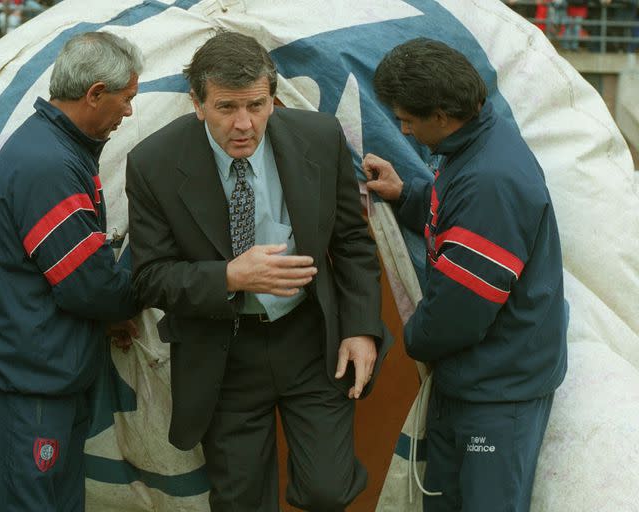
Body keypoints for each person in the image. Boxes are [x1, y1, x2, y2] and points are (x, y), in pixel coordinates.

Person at [125, 31, 392, 512]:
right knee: (242, 501)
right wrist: (229, 277)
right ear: (197, 103)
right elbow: (149, 277)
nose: (244, 124)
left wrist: (361, 328)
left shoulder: (319, 135)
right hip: (224, 354)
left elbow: (351, 242)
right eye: (227, 107)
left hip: (311, 340)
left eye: (257, 105)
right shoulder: (153, 164)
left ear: (273, 97)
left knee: (328, 490)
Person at [363, 38, 567, 512]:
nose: (404, 129)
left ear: (441, 113)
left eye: (408, 119)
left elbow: (459, 315)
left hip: (497, 397)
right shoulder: (477, 142)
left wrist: (409, 339)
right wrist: (406, 195)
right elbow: (458, 223)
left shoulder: (491, 181)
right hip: (482, 380)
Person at [0, 31, 143, 511]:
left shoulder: (55, 148)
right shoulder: (47, 163)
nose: (129, 112)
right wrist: (151, 287)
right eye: (127, 99)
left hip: (44, 377)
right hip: (27, 386)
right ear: (95, 94)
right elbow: (89, 285)